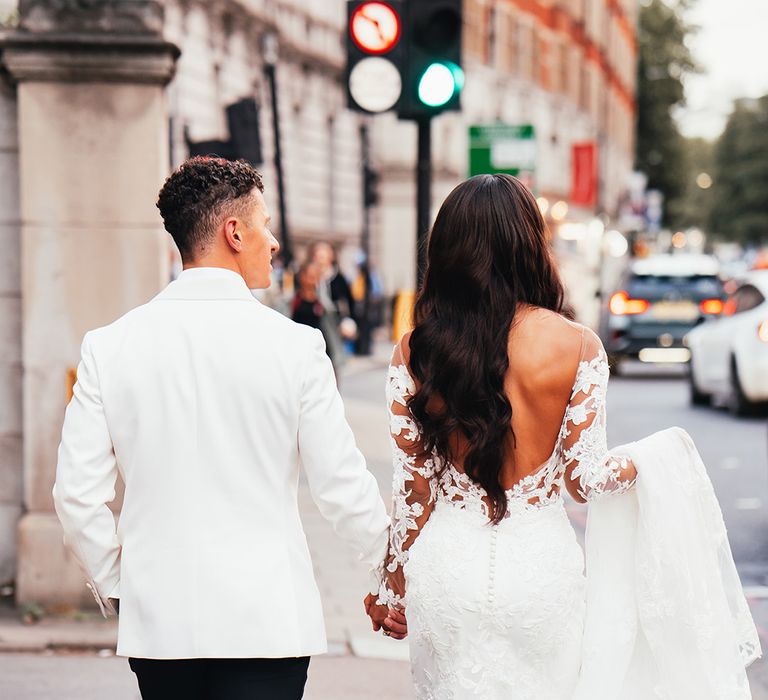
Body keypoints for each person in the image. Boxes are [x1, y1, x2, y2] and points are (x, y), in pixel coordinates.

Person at [365, 174, 759, 698]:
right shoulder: (576, 345)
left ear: (445, 250)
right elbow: (584, 480)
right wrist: (656, 458)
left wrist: (389, 582)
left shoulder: (414, 351)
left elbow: (413, 494)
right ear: (529, 244)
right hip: (539, 576)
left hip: (446, 575)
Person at [52, 156, 405, 700]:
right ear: (233, 231)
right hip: (267, 621)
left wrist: (120, 584)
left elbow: (76, 495)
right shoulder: (296, 347)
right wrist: (390, 572)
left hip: (160, 623)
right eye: (265, 225)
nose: (274, 243)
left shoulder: (110, 346)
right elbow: (341, 484)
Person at [291, 262, 324, 331]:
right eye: (311, 277)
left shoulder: (322, 302)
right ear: (302, 277)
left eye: (316, 276)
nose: (314, 281)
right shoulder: (292, 301)